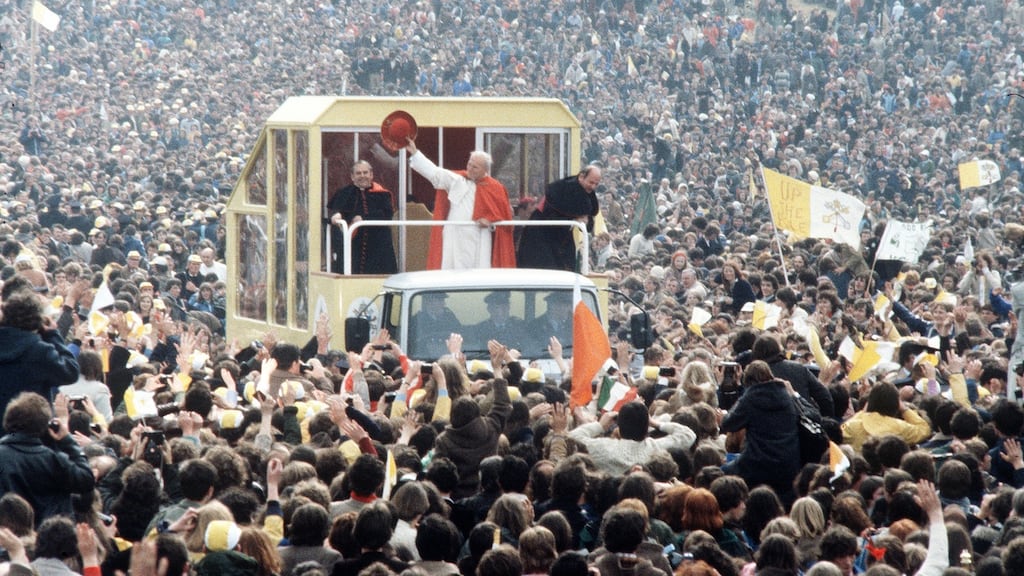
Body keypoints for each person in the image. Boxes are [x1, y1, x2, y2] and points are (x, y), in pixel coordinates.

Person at [405, 138, 516, 270]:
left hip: (479, 237)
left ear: (485, 170)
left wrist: (491, 223)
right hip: (454, 236)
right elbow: (434, 173)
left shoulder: (495, 188)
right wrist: (415, 153)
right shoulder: (456, 179)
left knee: (477, 274)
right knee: (450, 270)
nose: (470, 168)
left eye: (475, 167)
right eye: (469, 164)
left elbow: (504, 221)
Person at [0, 392, 95, 526]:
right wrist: (67, 440)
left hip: (7, 536)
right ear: (46, 425)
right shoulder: (53, 459)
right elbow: (85, 479)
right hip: (51, 538)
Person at [719, 361, 801, 507]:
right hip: (789, 464)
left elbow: (728, 424)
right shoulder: (786, 396)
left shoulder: (751, 397)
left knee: (721, 474)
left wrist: (743, 393)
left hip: (757, 463)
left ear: (748, 382)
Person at [0, 288, 80, 417]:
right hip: (28, 427)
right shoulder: (39, 351)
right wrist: (52, 335)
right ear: (38, 320)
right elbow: (70, 372)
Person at [517, 165, 602, 271]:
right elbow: (551, 216)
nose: (593, 187)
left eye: (596, 184)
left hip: (562, 239)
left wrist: (585, 221)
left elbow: (588, 221)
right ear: (581, 177)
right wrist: (573, 220)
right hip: (541, 236)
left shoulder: (588, 193)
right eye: (591, 182)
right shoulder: (561, 189)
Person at [326, 161, 398, 275]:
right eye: (358, 173)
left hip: (378, 244)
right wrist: (337, 214)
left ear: (371, 174)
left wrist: (363, 218)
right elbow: (339, 211)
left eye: (365, 172)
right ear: (352, 176)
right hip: (355, 245)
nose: (362, 176)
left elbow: (387, 215)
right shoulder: (344, 193)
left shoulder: (383, 194)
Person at [408, 292, 463, 360]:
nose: (443, 304)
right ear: (429, 302)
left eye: (443, 300)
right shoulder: (418, 319)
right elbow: (414, 342)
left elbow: (459, 333)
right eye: (439, 300)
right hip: (425, 357)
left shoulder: (449, 316)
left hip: (448, 354)